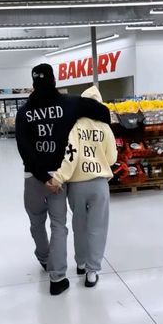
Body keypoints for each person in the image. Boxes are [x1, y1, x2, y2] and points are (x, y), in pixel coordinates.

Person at [15, 63, 111, 295]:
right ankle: (57, 279)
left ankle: (44, 257)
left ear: (33, 83)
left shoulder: (24, 112)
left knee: (36, 222)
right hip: (58, 180)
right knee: (59, 226)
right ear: (54, 81)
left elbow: (23, 148)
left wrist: (39, 175)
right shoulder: (69, 104)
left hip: (32, 179)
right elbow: (104, 113)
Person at [51, 85, 117, 287]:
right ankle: (92, 271)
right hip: (99, 185)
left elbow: (70, 156)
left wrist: (59, 177)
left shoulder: (75, 126)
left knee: (79, 226)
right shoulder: (106, 128)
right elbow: (112, 157)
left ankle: (80, 263)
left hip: (77, 186)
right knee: (98, 227)